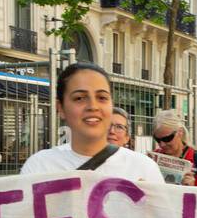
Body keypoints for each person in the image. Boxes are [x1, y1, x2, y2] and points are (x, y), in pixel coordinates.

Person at [22, 63, 163, 183]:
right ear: (61, 108)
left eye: (102, 97)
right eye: (79, 98)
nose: (93, 106)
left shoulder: (144, 169)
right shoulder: (39, 168)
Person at [152, 110, 197, 187]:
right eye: (157, 139)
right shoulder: (154, 157)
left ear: (180, 132)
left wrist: (192, 188)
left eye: (167, 138)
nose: (162, 144)